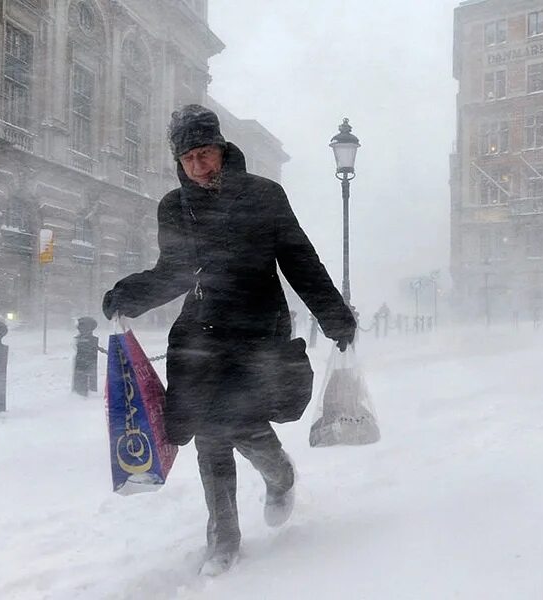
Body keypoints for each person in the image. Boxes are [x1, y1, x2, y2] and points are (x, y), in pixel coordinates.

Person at [102, 105, 356, 576]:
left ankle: (279, 475)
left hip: (258, 334)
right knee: (210, 437)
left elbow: (299, 260)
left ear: (221, 149)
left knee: (243, 426)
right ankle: (223, 538)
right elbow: (174, 271)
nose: (199, 166)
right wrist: (128, 295)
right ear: (178, 162)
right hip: (201, 336)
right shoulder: (173, 207)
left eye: (205, 153)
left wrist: (334, 315)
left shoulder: (264, 196)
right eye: (188, 158)